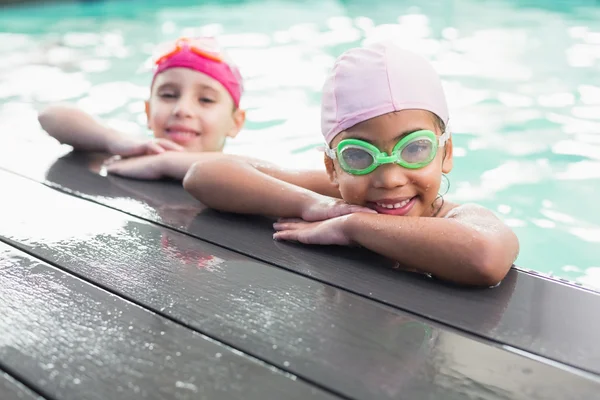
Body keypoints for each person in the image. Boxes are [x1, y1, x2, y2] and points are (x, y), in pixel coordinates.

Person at [182, 41, 520, 287]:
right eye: (358, 155)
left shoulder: (457, 219)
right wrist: (315, 205)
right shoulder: (335, 199)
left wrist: (352, 227)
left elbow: (486, 256)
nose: (388, 178)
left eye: (414, 149)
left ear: (446, 154)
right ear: (333, 168)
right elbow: (205, 174)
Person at [38, 36, 246, 180]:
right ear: (148, 112)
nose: (181, 109)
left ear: (235, 123)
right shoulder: (141, 151)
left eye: (206, 100)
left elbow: (243, 170)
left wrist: (165, 163)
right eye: (168, 95)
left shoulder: (243, 171)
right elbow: (50, 116)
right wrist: (114, 140)